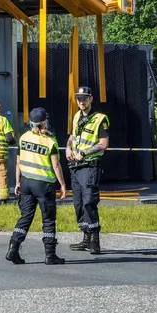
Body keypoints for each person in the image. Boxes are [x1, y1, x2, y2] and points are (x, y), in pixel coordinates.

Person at [6, 107, 68, 265]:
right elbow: (56, 165)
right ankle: (50, 255)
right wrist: (62, 184)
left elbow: (18, 162)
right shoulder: (49, 141)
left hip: (26, 182)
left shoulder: (24, 137)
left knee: (25, 217)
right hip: (44, 185)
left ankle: (13, 248)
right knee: (48, 219)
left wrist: (18, 182)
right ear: (45, 122)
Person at [66, 85, 110, 255]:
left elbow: (103, 144)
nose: (81, 101)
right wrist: (68, 148)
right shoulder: (77, 116)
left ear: (91, 99)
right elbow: (72, 137)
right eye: (78, 99)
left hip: (90, 165)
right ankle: (85, 237)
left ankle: (95, 241)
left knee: (89, 202)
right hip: (76, 167)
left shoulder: (100, 118)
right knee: (77, 204)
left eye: (84, 98)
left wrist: (84, 152)